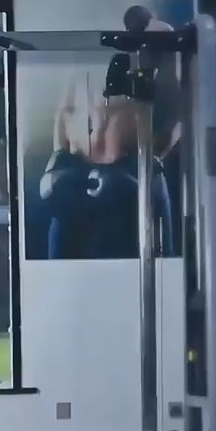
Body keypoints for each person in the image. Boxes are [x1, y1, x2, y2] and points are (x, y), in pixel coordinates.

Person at [39, 14, 179, 259]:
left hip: (132, 171)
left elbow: (177, 115)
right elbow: (64, 111)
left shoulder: (153, 56)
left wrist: (151, 159)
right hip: (77, 174)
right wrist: (59, 156)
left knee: (156, 264)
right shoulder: (85, 60)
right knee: (61, 265)